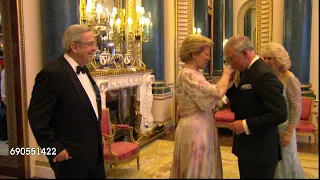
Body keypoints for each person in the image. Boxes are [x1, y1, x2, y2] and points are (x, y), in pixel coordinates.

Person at [28, 24, 105, 179]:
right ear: (74, 47)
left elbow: (88, 110)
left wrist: (98, 134)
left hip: (94, 155)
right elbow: (37, 116)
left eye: (94, 43)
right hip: (70, 158)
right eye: (90, 44)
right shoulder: (52, 73)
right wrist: (54, 148)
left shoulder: (84, 69)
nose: (94, 48)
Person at [170, 34, 234, 178]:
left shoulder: (195, 73)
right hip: (195, 129)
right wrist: (227, 73)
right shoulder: (188, 74)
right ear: (194, 54)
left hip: (201, 125)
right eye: (206, 54)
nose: (208, 58)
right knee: (197, 166)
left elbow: (208, 101)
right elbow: (216, 92)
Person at [224, 35, 287, 179]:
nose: (230, 63)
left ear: (245, 53)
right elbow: (244, 99)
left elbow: (280, 113)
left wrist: (245, 125)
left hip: (261, 150)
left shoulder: (263, 73)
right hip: (250, 148)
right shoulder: (248, 71)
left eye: (231, 58)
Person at [260, 42, 306, 179]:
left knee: (285, 162)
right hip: (270, 128)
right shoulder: (267, 76)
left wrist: (289, 132)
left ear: (279, 60)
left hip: (284, 129)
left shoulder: (290, 78)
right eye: (265, 58)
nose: (267, 61)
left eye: (271, 58)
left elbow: (296, 108)